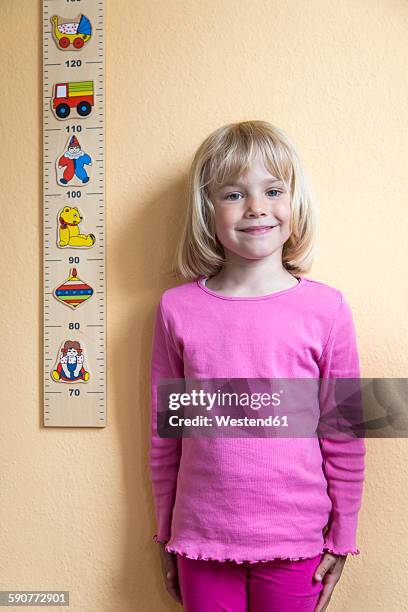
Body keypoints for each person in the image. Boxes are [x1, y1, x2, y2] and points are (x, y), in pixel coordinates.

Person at [149, 120, 366, 611]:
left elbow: (347, 431)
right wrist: (166, 531)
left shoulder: (328, 309)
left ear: (294, 203)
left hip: (298, 542)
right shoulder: (175, 309)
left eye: (272, 190)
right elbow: (166, 435)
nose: (256, 208)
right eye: (233, 194)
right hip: (202, 537)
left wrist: (342, 536)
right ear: (207, 209)